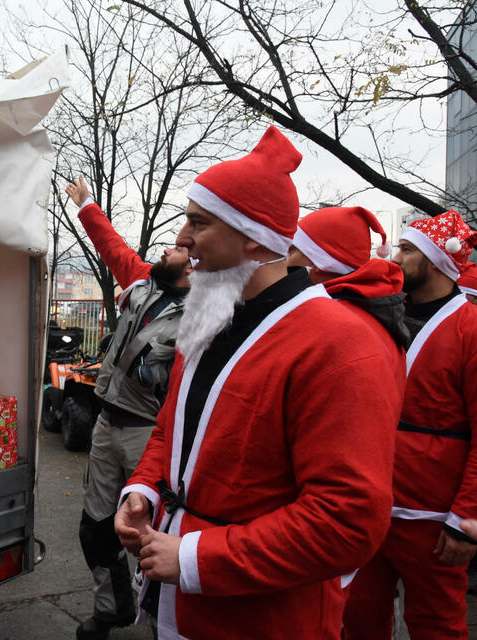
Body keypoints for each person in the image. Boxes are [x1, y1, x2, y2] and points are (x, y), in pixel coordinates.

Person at [113, 126, 400, 639]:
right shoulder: (209, 318)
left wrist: (198, 558)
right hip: (184, 606)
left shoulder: (339, 343)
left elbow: (347, 520)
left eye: (199, 222)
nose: (181, 239)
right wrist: (144, 493)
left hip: (266, 620)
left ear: (252, 235)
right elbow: (171, 433)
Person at [63, 177, 191, 640]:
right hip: (106, 424)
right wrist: (86, 204)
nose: (168, 248)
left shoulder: (203, 316)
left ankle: (159, 623)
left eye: (178, 249)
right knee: (95, 528)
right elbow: (111, 244)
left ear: (193, 269)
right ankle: (112, 607)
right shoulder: (141, 283)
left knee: (151, 534)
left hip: (147, 434)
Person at [343, 210, 477, 640]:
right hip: (369, 504)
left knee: (437, 625)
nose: (394, 257)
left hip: (432, 517)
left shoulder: (470, 328)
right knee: (357, 618)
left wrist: (466, 520)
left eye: (406, 249)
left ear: (437, 260)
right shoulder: (384, 317)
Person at [286, 205, 410, 377]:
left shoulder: (340, 329)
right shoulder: (362, 312)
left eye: (292, 251)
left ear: (320, 262)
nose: (285, 261)